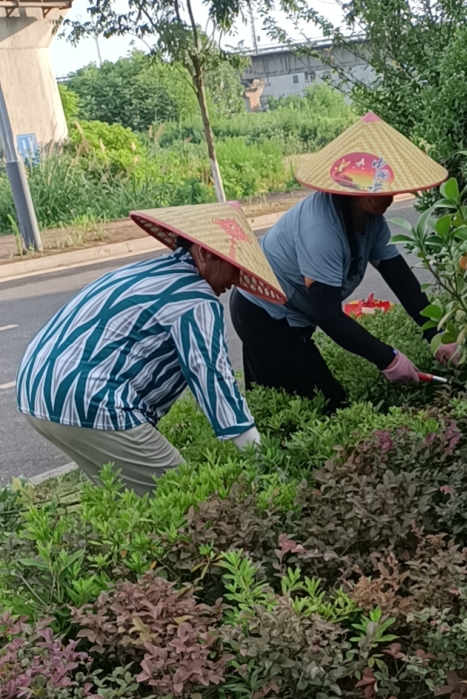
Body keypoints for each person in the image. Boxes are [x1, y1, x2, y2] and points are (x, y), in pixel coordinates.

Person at [16, 202, 286, 495]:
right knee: (188, 499)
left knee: (127, 498)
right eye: (233, 266)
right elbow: (214, 382)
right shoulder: (196, 300)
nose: (235, 280)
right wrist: (265, 464)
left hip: (35, 389)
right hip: (91, 399)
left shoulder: (149, 269)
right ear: (205, 254)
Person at [230, 112, 460, 409]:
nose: (391, 196)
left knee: (282, 403)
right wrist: (388, 359)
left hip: (292, 316)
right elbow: (328, 315)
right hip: (262, 314)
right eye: (381, 188)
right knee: (328, 403)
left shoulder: (372, 221)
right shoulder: (320, 229)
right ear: (355, 187)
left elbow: (402, 282)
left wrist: (436, 334)